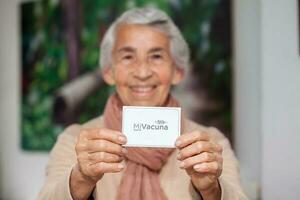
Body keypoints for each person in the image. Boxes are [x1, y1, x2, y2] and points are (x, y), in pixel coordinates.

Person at [38, 7, 247, 200]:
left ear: (178, 71)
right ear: (108, 72)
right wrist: (80, 179)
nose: (142, 72)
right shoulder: (75, 140)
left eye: (156, 56)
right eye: (128, 57)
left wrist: (212, 189)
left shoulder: (210, 144)